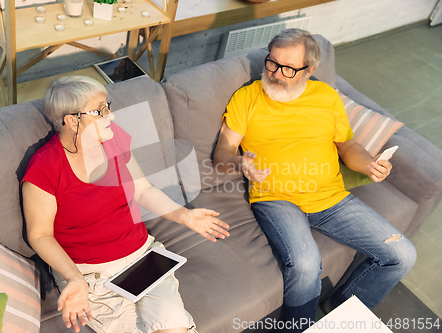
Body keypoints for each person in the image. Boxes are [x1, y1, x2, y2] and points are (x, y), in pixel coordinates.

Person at [213, 29, 416, 332]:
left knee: (402, 254)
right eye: (272, 63)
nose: (276, 74)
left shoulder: (326, 97)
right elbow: (222, 153)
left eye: (289, 68)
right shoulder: (247, 97)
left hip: (332, 198)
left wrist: (370, 164)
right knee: (306, 265)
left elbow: (348, 147)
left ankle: (339, 312)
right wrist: (241, 163)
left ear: (309, 70)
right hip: (276, 199)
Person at [22, 76, 230, 333]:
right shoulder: (46, 167)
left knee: (175, 329)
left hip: (142, 256)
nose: (111, 116)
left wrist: (184, 216)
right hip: (91, 275)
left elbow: (142, 190)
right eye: (100, 111)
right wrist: (74, 278)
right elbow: (40, 234)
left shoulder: (113, 139)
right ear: (72, 120)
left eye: (107, 106)